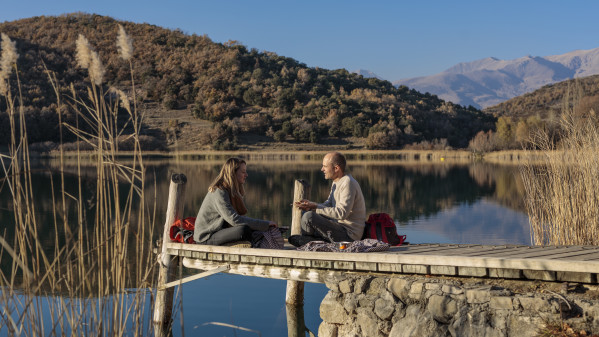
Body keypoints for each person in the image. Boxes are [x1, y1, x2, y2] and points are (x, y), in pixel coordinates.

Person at [193, 157, 277, 246]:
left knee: (253, 229)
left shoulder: (231, 191)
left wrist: (264, 226)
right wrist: (265, 224)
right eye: (243, 172)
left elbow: (237, 219)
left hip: (219, 231)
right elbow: (234, 219)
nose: (246, 175)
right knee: (243, 230)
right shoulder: (219, 191)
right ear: (233, 173)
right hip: (207, 237)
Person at [291, 152, 366, 246]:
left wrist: (315, 208)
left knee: (309, 217)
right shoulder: (336, 182)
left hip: (349, 234)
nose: (322, 169)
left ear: (336, 168)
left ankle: (307, 242)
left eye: (325, 166)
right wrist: (311, 205)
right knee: (306, 213)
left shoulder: (348, 183)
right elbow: (329, 204)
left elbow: (342, 213)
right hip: (338, 227)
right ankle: (311, 240)